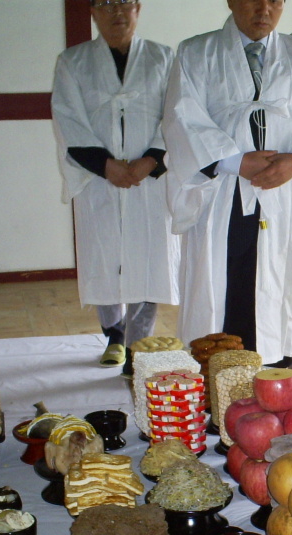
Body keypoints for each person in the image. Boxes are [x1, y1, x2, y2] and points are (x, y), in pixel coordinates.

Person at [163, 0, 292, 369]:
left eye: (274, 0)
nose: (264, 9)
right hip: (224, 190)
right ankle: (221, 384)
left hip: (284, 191)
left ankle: (275, 378)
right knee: (228, 289)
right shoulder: (196, 52)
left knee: (281, 284)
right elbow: (183, 116)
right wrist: (234, 160)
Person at [51, 0, 178, 376]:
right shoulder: (72, 62)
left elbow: (176, 113)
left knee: (148, 255)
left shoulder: (163, 58)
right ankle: (113, 334)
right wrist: (106, 165)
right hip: (99, 177)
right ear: (93, 11)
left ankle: (140, 342)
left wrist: (149, 161)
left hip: (148, 176)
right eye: (106, 3)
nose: (116, 12)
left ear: (138, 8)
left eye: (125, 2)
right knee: (105, 254)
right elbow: (68, 117)